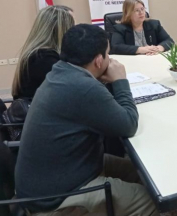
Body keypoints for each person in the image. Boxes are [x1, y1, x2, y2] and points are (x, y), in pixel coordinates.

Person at [15, 24, 158, 216]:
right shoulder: (82, 87)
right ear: (99, 61)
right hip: (57, 198)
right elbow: (129, 124)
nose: (110, 59)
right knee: (153, 200)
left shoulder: (60, 71)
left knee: (145, 174)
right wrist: (120, 81)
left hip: (60, 174)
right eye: (108, 54)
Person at [12, 5, 75, 100]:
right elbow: (72, 87)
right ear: (61, 29)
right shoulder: (43, 58)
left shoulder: (37, 53)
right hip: (41, 113)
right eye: (73, 25)